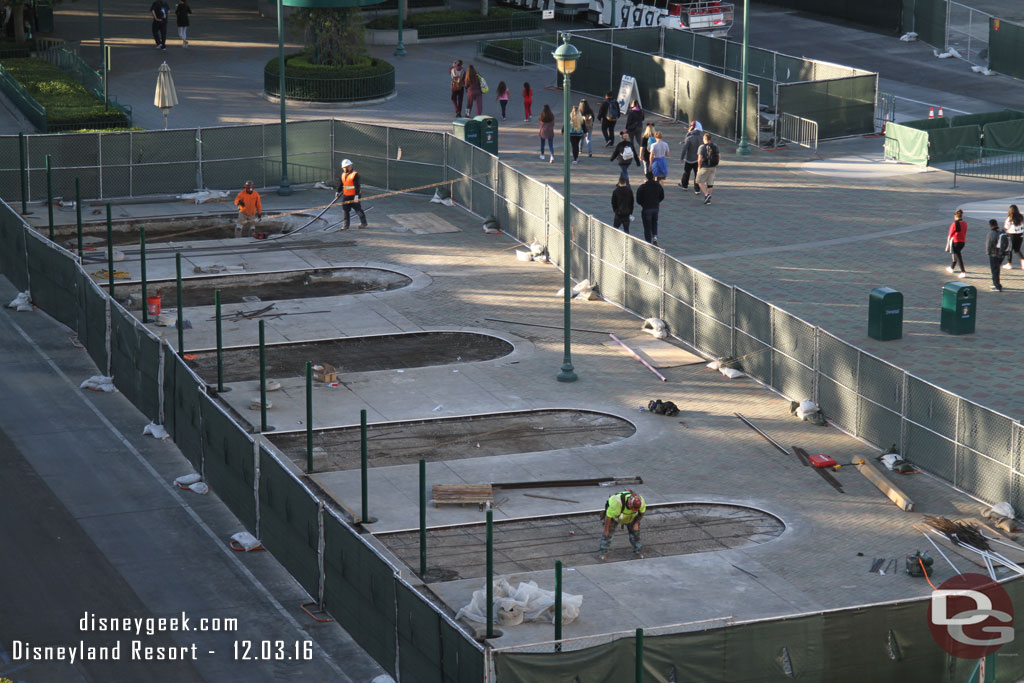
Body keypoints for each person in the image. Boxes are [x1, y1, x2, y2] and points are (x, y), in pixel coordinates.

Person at [598, 490, 646, 560]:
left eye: (636, 509)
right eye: (633, 508)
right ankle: (603, 553)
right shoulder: (617, 503)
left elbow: (642, 513)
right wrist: (606, 530)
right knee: (607, 535)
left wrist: (636, 523)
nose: (634, 510)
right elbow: (608, 517)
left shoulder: (641, 502)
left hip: (631, 517)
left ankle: (638, 551)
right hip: (615, 517)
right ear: (629, 503)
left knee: (636, 534)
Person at [336, 159, 368, 230]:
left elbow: (357, 186)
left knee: (358, 210)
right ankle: (345, 226)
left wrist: (356, 196)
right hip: (346, 196)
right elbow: (341, 184)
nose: (343, 169)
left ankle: (364, 223)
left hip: (354, 196)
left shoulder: (355, 174)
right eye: (343, 168)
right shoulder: (343, 174)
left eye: (344, 167)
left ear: (349, 166)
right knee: (345, 210)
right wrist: (337, 192)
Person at [636, 171, 664, 246]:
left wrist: (643, 204)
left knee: (647, 226)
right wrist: (657, 202)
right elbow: (662, 196)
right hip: (655, 208)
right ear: (653, 177)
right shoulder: (658, 186)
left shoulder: (642, 187)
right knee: (654, 222)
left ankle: (648, 242)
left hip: (646, 208)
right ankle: (655, 237)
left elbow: (638, 199)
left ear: (646, 178)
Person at [679, 120, 703, 194]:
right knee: (697, 174)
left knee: (686, 172)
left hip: (689, 159)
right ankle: (697, 189)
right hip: (698, 159)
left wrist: (682, 157)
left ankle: (684, 185)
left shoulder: (689, 137)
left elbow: (684, 148)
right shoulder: (701, 138)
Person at [696, 132, 719, 205]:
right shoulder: (715, 146)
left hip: (705, 167)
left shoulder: (702, 147)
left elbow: (699, 159)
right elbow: (719, 155)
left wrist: (699, 168)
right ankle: (708, 200)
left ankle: (706, 194)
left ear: (704, 139)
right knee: (710, 184)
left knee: (699, 180)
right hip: (713, 167)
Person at [987, 219, 1008, 292]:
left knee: (995, 270)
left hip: (994, 254)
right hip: (1002, 254)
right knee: (997, 269)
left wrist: (988, 252)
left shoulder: (992, 233)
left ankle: (997, 286)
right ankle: (995, 283)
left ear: (991, 225)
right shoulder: (1002, 232)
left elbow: (989, 245)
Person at [946, 209, 968, 278]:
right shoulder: (965, 223)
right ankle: (952, 267)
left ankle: (963, 271)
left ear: (955, 216)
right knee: (956, 254)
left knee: (958, 257)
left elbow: (950, 235)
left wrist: (947, 246)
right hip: (963, 242)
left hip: (956, 242)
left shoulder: (954, 224)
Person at [1003, 204, 1024, 269]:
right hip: (1020, 234)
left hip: (1012, 235)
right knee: (1017, 249)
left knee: (1009, 249)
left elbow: (1006, 227)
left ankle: (1009, 264)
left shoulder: (1010, 218)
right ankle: (1023, 262)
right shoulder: (1021, 217)